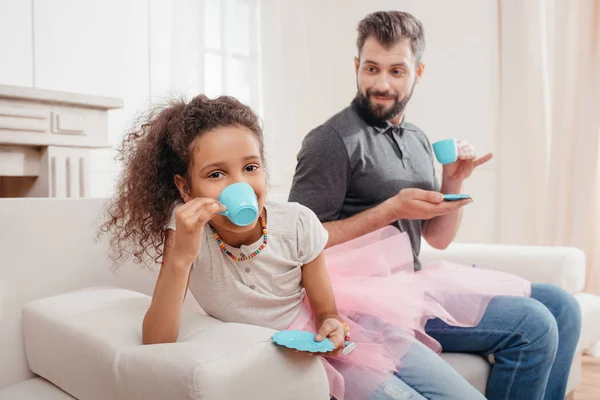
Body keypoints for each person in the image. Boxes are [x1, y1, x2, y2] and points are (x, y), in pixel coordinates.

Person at [100, 95, 532, 400]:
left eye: (250, 167)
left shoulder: (297, 223)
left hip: (349, 335)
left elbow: (327, 308)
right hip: (293, 359)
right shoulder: (185, 233)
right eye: (216, 174)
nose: (239, 186)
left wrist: (332, 325)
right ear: (184, 186)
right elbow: (156, 340)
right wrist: (181, 256)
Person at [288, 10, 582, 400]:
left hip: (411, 284)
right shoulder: (330, 140)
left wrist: (453, 181)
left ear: (418, 72)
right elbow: (299, 241)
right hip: (362, 299)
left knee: (563, 307)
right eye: (372, 68)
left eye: (396, 71)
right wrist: (390, 210)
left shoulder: (416, 139)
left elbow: (438, 239)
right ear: (357, 65)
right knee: (535, 325)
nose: (381, 83)